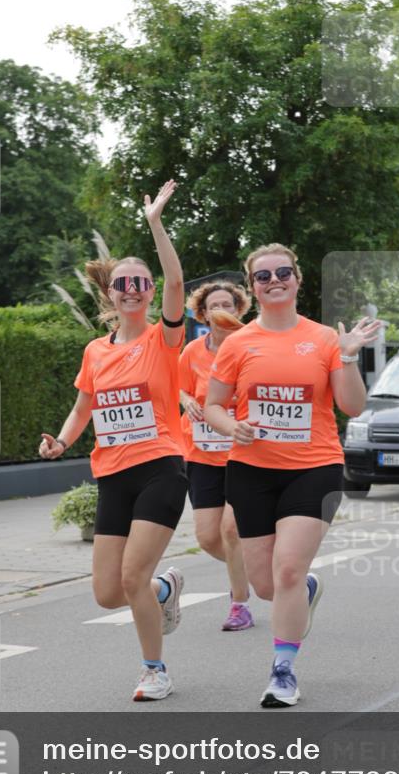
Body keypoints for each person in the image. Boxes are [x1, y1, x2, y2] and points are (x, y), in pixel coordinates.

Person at [204, 243, 380, 708]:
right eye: (263, 276)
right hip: (251, 472)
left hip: (314, 469)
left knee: (286, 570)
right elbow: (213, 405)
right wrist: (230, 426)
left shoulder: (324, 339)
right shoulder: (238, 343)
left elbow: (352, 407)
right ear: (253, 287)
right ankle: (303, 591)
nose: (274, 280)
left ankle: (282, 673)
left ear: (298, 280)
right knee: (267, 586)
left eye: (283, 272)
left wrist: (346, 357)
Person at [39, 180, 188, 703]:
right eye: (122, 283)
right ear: (110, 292)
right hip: (112, 475)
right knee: (107, 594)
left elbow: (176, 280)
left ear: (148, 292)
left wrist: (155, 223)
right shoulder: (95, 352)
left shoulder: (163, 339)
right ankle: (165, 590)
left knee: (131, 577)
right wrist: (61, 441)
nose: (131, 289)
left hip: (161, 469)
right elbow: (84, 406)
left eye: (139, 282)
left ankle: (155, 670)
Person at [179, 281, 254, 630]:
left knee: (231, 529)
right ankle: (256, 571)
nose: (221, 310)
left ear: (238, 310)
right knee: (208, 537)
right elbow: (176, 387)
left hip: (242, 454)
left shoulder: (252, 348)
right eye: (214, 306)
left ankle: (240, 603)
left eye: (228, 304)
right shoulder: (192, 351)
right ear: (204, 314)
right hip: (201, 454)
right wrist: (188, 401)